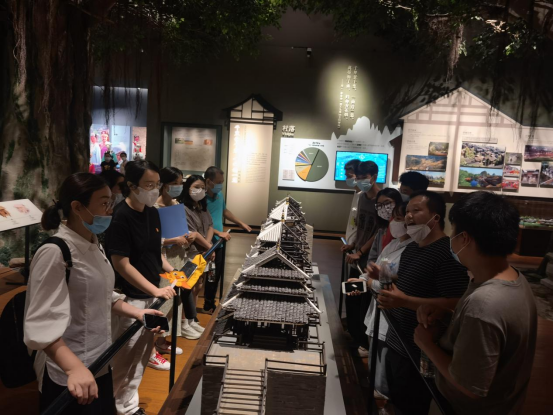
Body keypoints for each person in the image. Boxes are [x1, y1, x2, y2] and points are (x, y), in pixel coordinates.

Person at [24, 173, 165, 415]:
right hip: (70, 370)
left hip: (100, 359)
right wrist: (73, 368)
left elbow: (102, 295)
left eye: (111, 202)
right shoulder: (55, 252)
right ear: (77, 207)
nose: (110, 210)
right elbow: (41, 321)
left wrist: (137, 313)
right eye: (104, 203)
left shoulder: (93, 243)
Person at [415, 191, 538, 415]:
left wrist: (426, 344)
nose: (451, 239)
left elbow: (469, 386)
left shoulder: (484, 304)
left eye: (453, 232)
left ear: (465, 238)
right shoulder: (513, 277)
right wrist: (448, 314)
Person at [373, 191, 469, 415]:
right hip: (397, 339)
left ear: (436, 217)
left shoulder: (447, 253)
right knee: (395, 398)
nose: (408, 216)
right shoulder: (412, 248)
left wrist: (405, 302)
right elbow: (409, 280)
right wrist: (384, 276)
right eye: (407, 212)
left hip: (419, 349)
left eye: (416, 211)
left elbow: (455, 302)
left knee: (412, 404)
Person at [106, 160, 177, 416]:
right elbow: (121, 264)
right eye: (148, 185)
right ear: (132, 186)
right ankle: (113, 405)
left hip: (151, 295)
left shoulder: (152, 212)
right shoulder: (121, 216)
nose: (154, 189)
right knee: (124, 356)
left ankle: (128, 405)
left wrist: (173, 272)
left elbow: (155, 253)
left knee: (142, 354)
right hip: (130, 298)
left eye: (157, 184)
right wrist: (155, 290)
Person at [155, 167, 204, 342]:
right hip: (164, 257)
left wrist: (186, 236)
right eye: (173, 183)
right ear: (163, 184)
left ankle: (169, 337)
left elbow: (180, 228)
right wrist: (172, 240)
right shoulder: (154, 207)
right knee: (165, 298)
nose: (177, 187)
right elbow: (153, 239)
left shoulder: (176, 204)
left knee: (177, 298)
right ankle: (159, 340)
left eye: (179, 183)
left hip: (179, 255)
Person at [341, 161, 382, 356]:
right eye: (358, 178)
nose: (360, 181)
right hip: (356, 257)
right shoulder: (361, 197)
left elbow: (379, 230)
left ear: (374, 176)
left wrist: (362, 251)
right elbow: (360, 226)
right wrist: (353, 245)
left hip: (368, 259)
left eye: (364, 177)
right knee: (352, 298)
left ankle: (364, 343)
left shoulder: (382, 200)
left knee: (363, 303)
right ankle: (355, 335)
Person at [203, 167, 252, 314]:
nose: (220, 185)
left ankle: (210, 303)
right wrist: (218, 233)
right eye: (218, 182)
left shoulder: (219, 195)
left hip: (219, 242)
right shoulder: (202, 199)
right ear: (208, 181)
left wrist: (240, 223)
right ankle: (207, 305)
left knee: (216, 275)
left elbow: (224, 211)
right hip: (208, 242)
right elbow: (203, 223)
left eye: (222, 182)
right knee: (206, 277)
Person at [178, 175, 215, 325]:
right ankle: (185, 321)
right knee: (189, 286)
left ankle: (192, 319)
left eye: (203, 188)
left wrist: (208, 245)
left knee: (199, 285)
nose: (200, 191)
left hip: (204, 251)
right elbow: (192, 234)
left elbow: (210, 226)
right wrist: (209, 247)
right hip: (191, 252)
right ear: (188, 188)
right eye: (196, 187)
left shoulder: (202, 207)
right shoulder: (183, 208)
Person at [343, 159, 362, 248]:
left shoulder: (363, 196)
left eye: (350, 176)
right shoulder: (356, 192)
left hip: (356, 245)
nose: (347, 179)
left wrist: (353, 244)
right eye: (346, 176)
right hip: (350, 242)